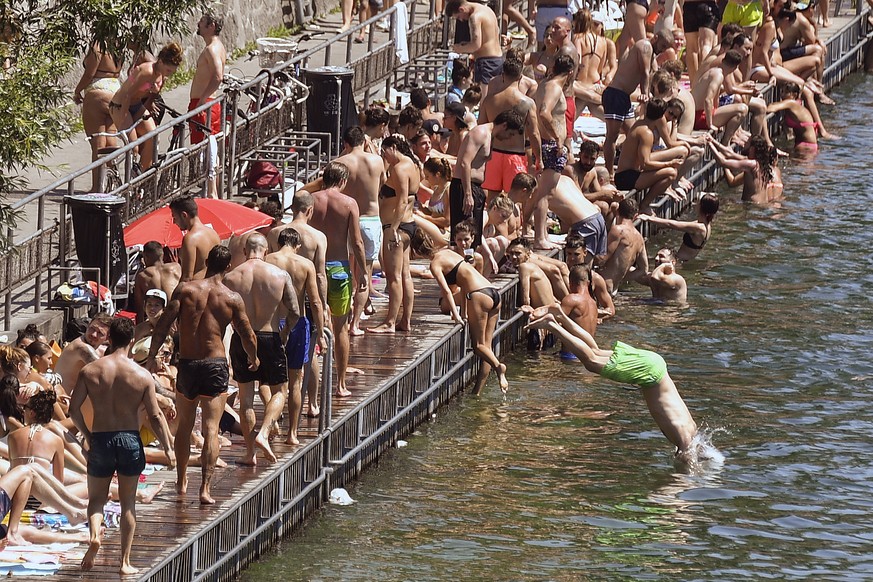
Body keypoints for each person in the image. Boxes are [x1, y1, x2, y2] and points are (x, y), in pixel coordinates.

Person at [149, 245, 258, 505]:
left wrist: (152, 353)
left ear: (207, 261)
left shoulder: (186, 289)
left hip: (187, 363)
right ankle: (205, 488)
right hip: (215, 364)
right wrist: (254, 357)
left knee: (185, 427)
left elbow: (164, 322)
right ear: (228, 266)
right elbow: (246, 333)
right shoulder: (231, 298)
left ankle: (181, 480)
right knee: (210, 428)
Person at [523, 304, 700, 461]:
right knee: (591, 362)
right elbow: (687, 459)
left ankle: (560, 316)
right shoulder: (684, 438)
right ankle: (551, 325)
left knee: (595, 351)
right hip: (649, 374)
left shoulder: (691, 429)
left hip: (655, 364)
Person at [70, 318, 175, 575]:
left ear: (108, 339)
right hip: (129, 439)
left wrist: (87, 434)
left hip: (102, 438)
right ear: (131, 342)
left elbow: (73, 410)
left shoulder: (91, 371)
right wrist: (168, 448)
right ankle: (125, 562)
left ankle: (95, 536)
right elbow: (155, 416)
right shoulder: (142, 375)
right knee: (128, 502)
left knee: (96, 500)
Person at [223, 233, 299, 465]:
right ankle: (264, 433)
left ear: (245, 252)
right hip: (270, 336)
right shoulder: (280, 274)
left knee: (246, 399)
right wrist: (284, 333)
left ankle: (250, 453)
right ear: (266, 251)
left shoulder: (231, 277)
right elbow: (295, 311)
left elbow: (224, 316)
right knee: (279, 392)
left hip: (242, 337)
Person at [410, 231, 508, 394]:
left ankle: (499, 367)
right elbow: (463, 282)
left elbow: (447, 292)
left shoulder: (435, 264)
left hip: (478, 295)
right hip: (493, 291)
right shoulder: (448, 252)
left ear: (417, 252)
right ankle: (477, 391)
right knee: (487, 348)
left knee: (478, 346)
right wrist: (463, 313)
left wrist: (455, 316)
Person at [307, 162, 367, 397]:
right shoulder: (349, 203)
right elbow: (358, 242)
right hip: (339, 269)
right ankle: (340, 384)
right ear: (343, 181)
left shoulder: (311, 200)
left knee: (313, 326)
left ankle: (310, 388)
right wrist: (362, 272)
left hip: (314, 268)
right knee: (341, 327)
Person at [267, 191, 327, 416]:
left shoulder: (274, 234)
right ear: (310, 210)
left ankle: (276, 411)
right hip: (303, 308)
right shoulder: (317, 237)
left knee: (274, 365)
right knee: (307, 358)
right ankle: (312, 404)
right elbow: (320, 276)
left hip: (274, 311)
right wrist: (323, 309)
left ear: (292, 207)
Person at [331, 127, 385, 335]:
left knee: (347, 270)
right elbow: (382, 183)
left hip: (348, 220)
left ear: (345, 144)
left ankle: (344, 320)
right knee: (365, 274)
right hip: (370, 219)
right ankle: (355, 324)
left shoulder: (340, 163)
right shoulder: (377, 161)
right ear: (363, 141)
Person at [602, 31, 674, 179]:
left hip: (624, 97)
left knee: (633, 133)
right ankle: (609, 172)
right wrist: (645, 94)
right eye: (662, 45)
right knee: (612, 136)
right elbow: (645, 73)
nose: (662, 50)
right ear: (655, 38)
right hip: (615, 94)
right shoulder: (645, 46)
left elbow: (652, 72)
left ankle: (629, 166)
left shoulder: (651, 52)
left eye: (665, 48)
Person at [450, 110, 525, 250]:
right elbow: (465, 163)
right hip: (464, 186)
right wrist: (467, 194)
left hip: (475, 187)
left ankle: (471, 267)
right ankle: (461, 266)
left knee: (474, 236)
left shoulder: (490, 137)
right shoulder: (481, 133)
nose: (509, 138)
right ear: (504, 125)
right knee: (463, 234)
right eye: (510, 134)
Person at [371, 136, 421, 335]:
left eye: (385, 152)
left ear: (393, 148)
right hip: (408, 225)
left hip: (397, 228)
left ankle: (390, 322)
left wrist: (393, 228)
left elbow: (401, 201)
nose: (384, 156)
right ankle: (405, 321)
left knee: (393, 277)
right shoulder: (413, 164)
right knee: (405, 274)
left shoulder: (400, 168)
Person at [109, 42, 182, 170]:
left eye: (172, 72)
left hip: (136, 105)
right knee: (133, 146)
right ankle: (127, 182)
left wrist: (150, 104)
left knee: (153, 138)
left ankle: (143, 175)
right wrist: (123, 119)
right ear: (160, 62)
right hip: (120, 105)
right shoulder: (147, 71)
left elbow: (152, 95)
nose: (169, 74)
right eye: (168, 70)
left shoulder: (162, 77)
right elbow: (127, 95)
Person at [479, 57, 543, 198]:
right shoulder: (527, 103)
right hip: (515, 156)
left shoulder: (489, 100)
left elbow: (481, 128)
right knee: (515, 201)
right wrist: (539, 158)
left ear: (502, 75)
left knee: (492, 200)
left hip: (493, 155)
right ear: (520, 77)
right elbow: (534, 134)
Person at [533, 54, 575, 250]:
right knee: (545, 194)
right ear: (571, 72)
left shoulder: (544, 84)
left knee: (540, 192)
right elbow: (544, 112)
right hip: (551, 145)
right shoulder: (554, 88)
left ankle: (537, 233)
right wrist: (558, 138)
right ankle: (540, 238)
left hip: (543, 143)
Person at [613, 99, 684, 212]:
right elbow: (645, 164)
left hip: (628, 173)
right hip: (625, 178)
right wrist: (669, 163)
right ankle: (644, 205)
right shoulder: (646, 133)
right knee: (671, 173)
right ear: (661, 116)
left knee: (669, 170)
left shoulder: (639, 123)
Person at [74, 43, 123, 192]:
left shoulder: (98, 45)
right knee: (110, 139)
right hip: (115, 90)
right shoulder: (118, 45)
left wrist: (77, 91)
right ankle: (115, 180)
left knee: (98, 144)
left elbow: (90, 73)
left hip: (98, 91)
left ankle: (97, 187)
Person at [189, 13, 226, 198]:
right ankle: (212, 190)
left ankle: (211, 192)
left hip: (205, 104)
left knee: (205, 147)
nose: (198, 23)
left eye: (202, 22)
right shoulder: (217, 46)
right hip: (208, 104)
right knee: (210, 148)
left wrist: (202, 99)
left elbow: (218, 76)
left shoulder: (212, 49)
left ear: (211, 25)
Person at [446, 0, 504, 100]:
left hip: (486, 63)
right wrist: (465, 45)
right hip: (498, 59)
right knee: (496, 100)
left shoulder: (475, 17)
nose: (461, 20)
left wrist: (460, 48)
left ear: (461, 9)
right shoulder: (487, 10)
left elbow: (476, 45)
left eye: (459, 17)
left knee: (484, 101)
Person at [690, 49, 750, 146]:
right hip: (699, 116)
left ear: (723, 61)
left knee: (737, 104)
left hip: (698, 113)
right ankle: (725, 142)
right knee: (743, 109)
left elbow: (715, 100)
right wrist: (710, 125)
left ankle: (732, 137)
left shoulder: (714, 71)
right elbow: (708, 100)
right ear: (735, 68)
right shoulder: (718, 76)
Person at [638, 193, 720, 261]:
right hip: (683, 261)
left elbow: (671, 224)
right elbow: (676, 224)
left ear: (702, 207)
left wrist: (649, 218)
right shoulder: (706, 225)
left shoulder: (699, 227)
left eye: (699, 203)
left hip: (680, 262)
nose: (696, 204)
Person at [707, 134, 782, 204]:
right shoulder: (763, 165)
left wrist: (709, 144)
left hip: (752, 206)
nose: (745, 145)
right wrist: (713, 141)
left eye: (748, 144)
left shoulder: (752, 164)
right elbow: (729, 153)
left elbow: (722, 162)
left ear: (752, 149)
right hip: (763, 204)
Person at [599, 198, 648, 295]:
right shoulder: (639, 238)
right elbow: (644, 270)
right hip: (614, 288)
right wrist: (620, 277)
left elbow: (601, 259)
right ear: (636, 216)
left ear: (617, 211)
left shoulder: (618, 230)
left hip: (603, 284)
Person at [170, 195, 221, 281]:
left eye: (174, 217)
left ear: (184, 215)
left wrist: (176, 294)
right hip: (213, 286)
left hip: (197, 289)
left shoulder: (190, 239)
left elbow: (187, 277)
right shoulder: (213, 233)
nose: (174, 222)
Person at [133, 240, 181, 318]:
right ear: (162, 255)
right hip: (177, 315)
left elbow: (140, 308)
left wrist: (139, 328)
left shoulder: (142, 275)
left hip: (157, 318)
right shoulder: (176, 268)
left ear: (146, 257)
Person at [507, 238, 558, 309]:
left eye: (518, 253)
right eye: (511, 253)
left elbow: (526, 298)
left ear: (527, 254)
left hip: (544, 315)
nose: (514, 257)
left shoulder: (524, 267)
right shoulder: (534, 267)